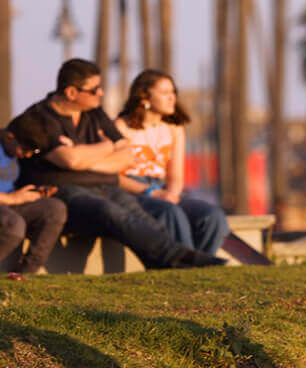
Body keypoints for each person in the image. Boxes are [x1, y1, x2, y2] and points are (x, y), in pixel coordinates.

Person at [8, 59, 223, 270]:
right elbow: (70, 160)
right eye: (94, 89)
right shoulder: (40, 119)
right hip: (65, 193)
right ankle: (184, 261)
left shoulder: (94, 112)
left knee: (142, 218)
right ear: (72, 93)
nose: (101, 93)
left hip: (106, 185)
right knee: (112, 214)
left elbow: (127, 155)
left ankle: (171, 266)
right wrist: (107, 148)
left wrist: (86, 155)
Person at [115, 70, 230, 256]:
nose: (172, 98)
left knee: (212, 216)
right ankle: (183, 267)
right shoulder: (121, 127)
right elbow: (113, 177)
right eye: (164, 93)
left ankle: (202, 268)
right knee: (171, 213)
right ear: (144, 97)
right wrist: (150, 191)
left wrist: (172, 193)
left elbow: (176, 175)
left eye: (173, 92)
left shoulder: (174, 129)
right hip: (133, 191)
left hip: (163, 189)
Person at [0, 125, 67, 279]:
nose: (29, 155)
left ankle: (22, 275)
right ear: (11, 136)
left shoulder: (15, 153)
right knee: (14, 224)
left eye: (35, 151)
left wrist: (34, 192)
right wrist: (11, 198)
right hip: (6, 203)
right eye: (29, 149)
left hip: (10, 203)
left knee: (54, 208)